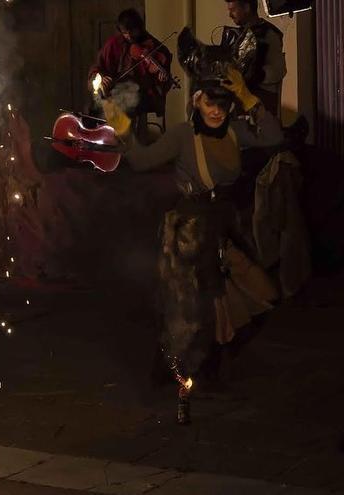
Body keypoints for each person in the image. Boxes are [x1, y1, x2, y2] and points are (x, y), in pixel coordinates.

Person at [102, 63, 283, 417]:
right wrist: (120, 125)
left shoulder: (234, 131)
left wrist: (247, 97)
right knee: (195, 309)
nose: (217, 110)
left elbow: (274, 137)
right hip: (189, 231)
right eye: (210, 102)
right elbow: (141, 160)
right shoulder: (183, 135)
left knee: (262, 294)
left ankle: (187, 368)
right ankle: (199, 376)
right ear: (197, 101)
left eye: (224, 104)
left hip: (224, 227)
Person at [88, 8, 173, 141]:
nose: (130, 36)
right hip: (117, 91)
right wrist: (101, 78)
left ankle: (126, 142)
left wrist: (162, 80)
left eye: (132, 31)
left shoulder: (156, 48)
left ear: (140, 27)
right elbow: (98, 67)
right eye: (125, 33)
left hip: (144, 94)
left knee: (129, 102)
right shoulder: (114, 43)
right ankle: (107, 140)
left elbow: (162, 85)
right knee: (98, 104)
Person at [222, 0, 286, 117]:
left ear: (246, 7)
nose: (230, 15)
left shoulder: (268, 34)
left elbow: (278, 70)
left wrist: (256, 74)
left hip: (260, 105)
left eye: (233, 10)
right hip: (240, 103)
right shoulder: (238, 35)